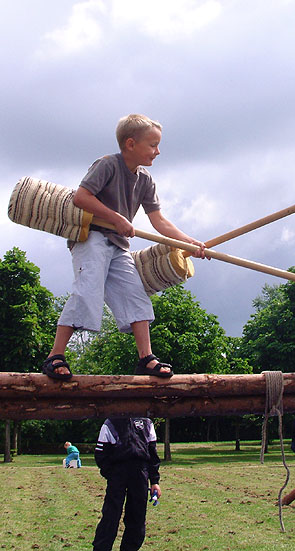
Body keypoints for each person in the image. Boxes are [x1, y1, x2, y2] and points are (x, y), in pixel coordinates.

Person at [41, 114, 206, 380]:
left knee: (135, 294)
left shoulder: (145, 180)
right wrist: (116, 218)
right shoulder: (107, 165)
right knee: (88, 289)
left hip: (119, 245)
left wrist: (189, 242)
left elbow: (159, 221)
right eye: (152, 145)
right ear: (130, 144)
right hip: (92, 237)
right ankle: (55, 355)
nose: (158, 151)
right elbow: (81, 197)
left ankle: (146, 358)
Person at [93, 417, 161, 551]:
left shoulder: (146, 423)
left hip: (140, 474)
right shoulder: (110, 423)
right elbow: (101, 455)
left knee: (137, 517)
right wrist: (112, 475)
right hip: (117, 474)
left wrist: (154, 481)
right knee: (111, 516)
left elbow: (153, 454)